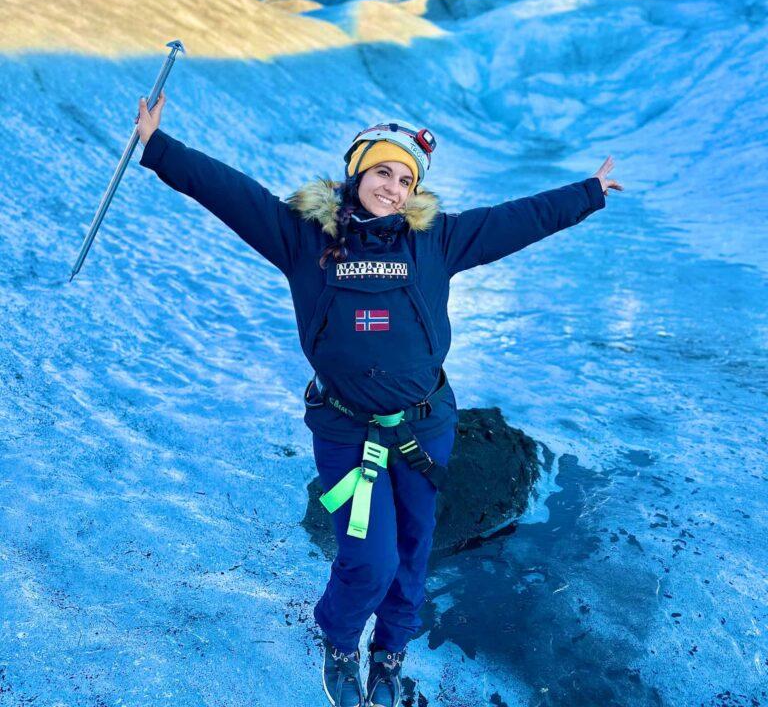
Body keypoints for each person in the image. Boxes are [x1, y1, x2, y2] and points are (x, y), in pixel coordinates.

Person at [136, 92, 622, 707]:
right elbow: (231, 192)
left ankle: (390, 654)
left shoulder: (436, 241)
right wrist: (158, 146)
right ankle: (340, 641)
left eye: (405, 180)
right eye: (382, 172)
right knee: (370, 559)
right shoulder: (302, 237)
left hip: (425, 429)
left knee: (415, 552)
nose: (392, 188)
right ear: (357, 171)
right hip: (346, 434)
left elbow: (514, 221)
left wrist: (586, 193)